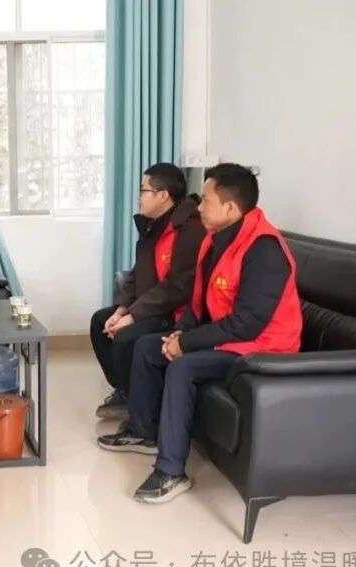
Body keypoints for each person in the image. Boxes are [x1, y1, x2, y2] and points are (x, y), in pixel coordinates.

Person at [97, 163, 302, 504]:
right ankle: (143, 431)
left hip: (262, 349)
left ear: (230, 208)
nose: (199, 206)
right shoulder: (216, 239)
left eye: (206, 200)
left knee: (183, 367)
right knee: (149, 347)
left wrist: (187, 344)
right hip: (229, 339)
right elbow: (200, 300)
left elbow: (248, 324)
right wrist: (179, 333)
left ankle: (171, 471)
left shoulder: (264, 249)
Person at [90, 163, 206, 419]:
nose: (139, 197)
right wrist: (121, 310)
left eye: (143, 190)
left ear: (163, 195)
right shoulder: (155, 226)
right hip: (154, 306)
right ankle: (126, 391)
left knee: (125, 336)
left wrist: (133, 316)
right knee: (100, 322)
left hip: (177, 313)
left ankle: (139, 403)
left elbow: (178, 287)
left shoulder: (189, 229)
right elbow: (136, 273)